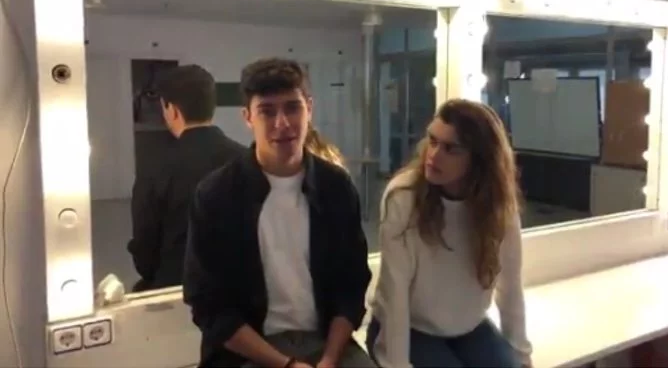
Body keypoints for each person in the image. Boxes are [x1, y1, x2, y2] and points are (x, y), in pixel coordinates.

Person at [183, 57, 374, 368]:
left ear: (309, 108)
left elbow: (351, 286)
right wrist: (286, 365)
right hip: (247, 353)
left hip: (325, 343)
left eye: (292, 108)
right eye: (267, 111)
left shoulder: (336, 187)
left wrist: (329, 360)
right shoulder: (216, 195)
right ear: (248, 117)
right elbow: (209, 306)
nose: (282, 123)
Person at [366, 99, 532, 368]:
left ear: (479, 160)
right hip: (409, 328)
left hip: (468, 327)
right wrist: (397, 364)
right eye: (432, 141)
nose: (433, 155)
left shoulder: (499, 206)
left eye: (450, 149)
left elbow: (510, 286)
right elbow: (393, 295)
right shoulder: (404, 197)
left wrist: (521, 354)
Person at [128, 64, 246, 292]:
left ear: (172, 110)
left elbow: (145, 247)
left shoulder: (155, 167)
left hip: (176, 288)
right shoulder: (246, 159)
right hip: (238, 288)